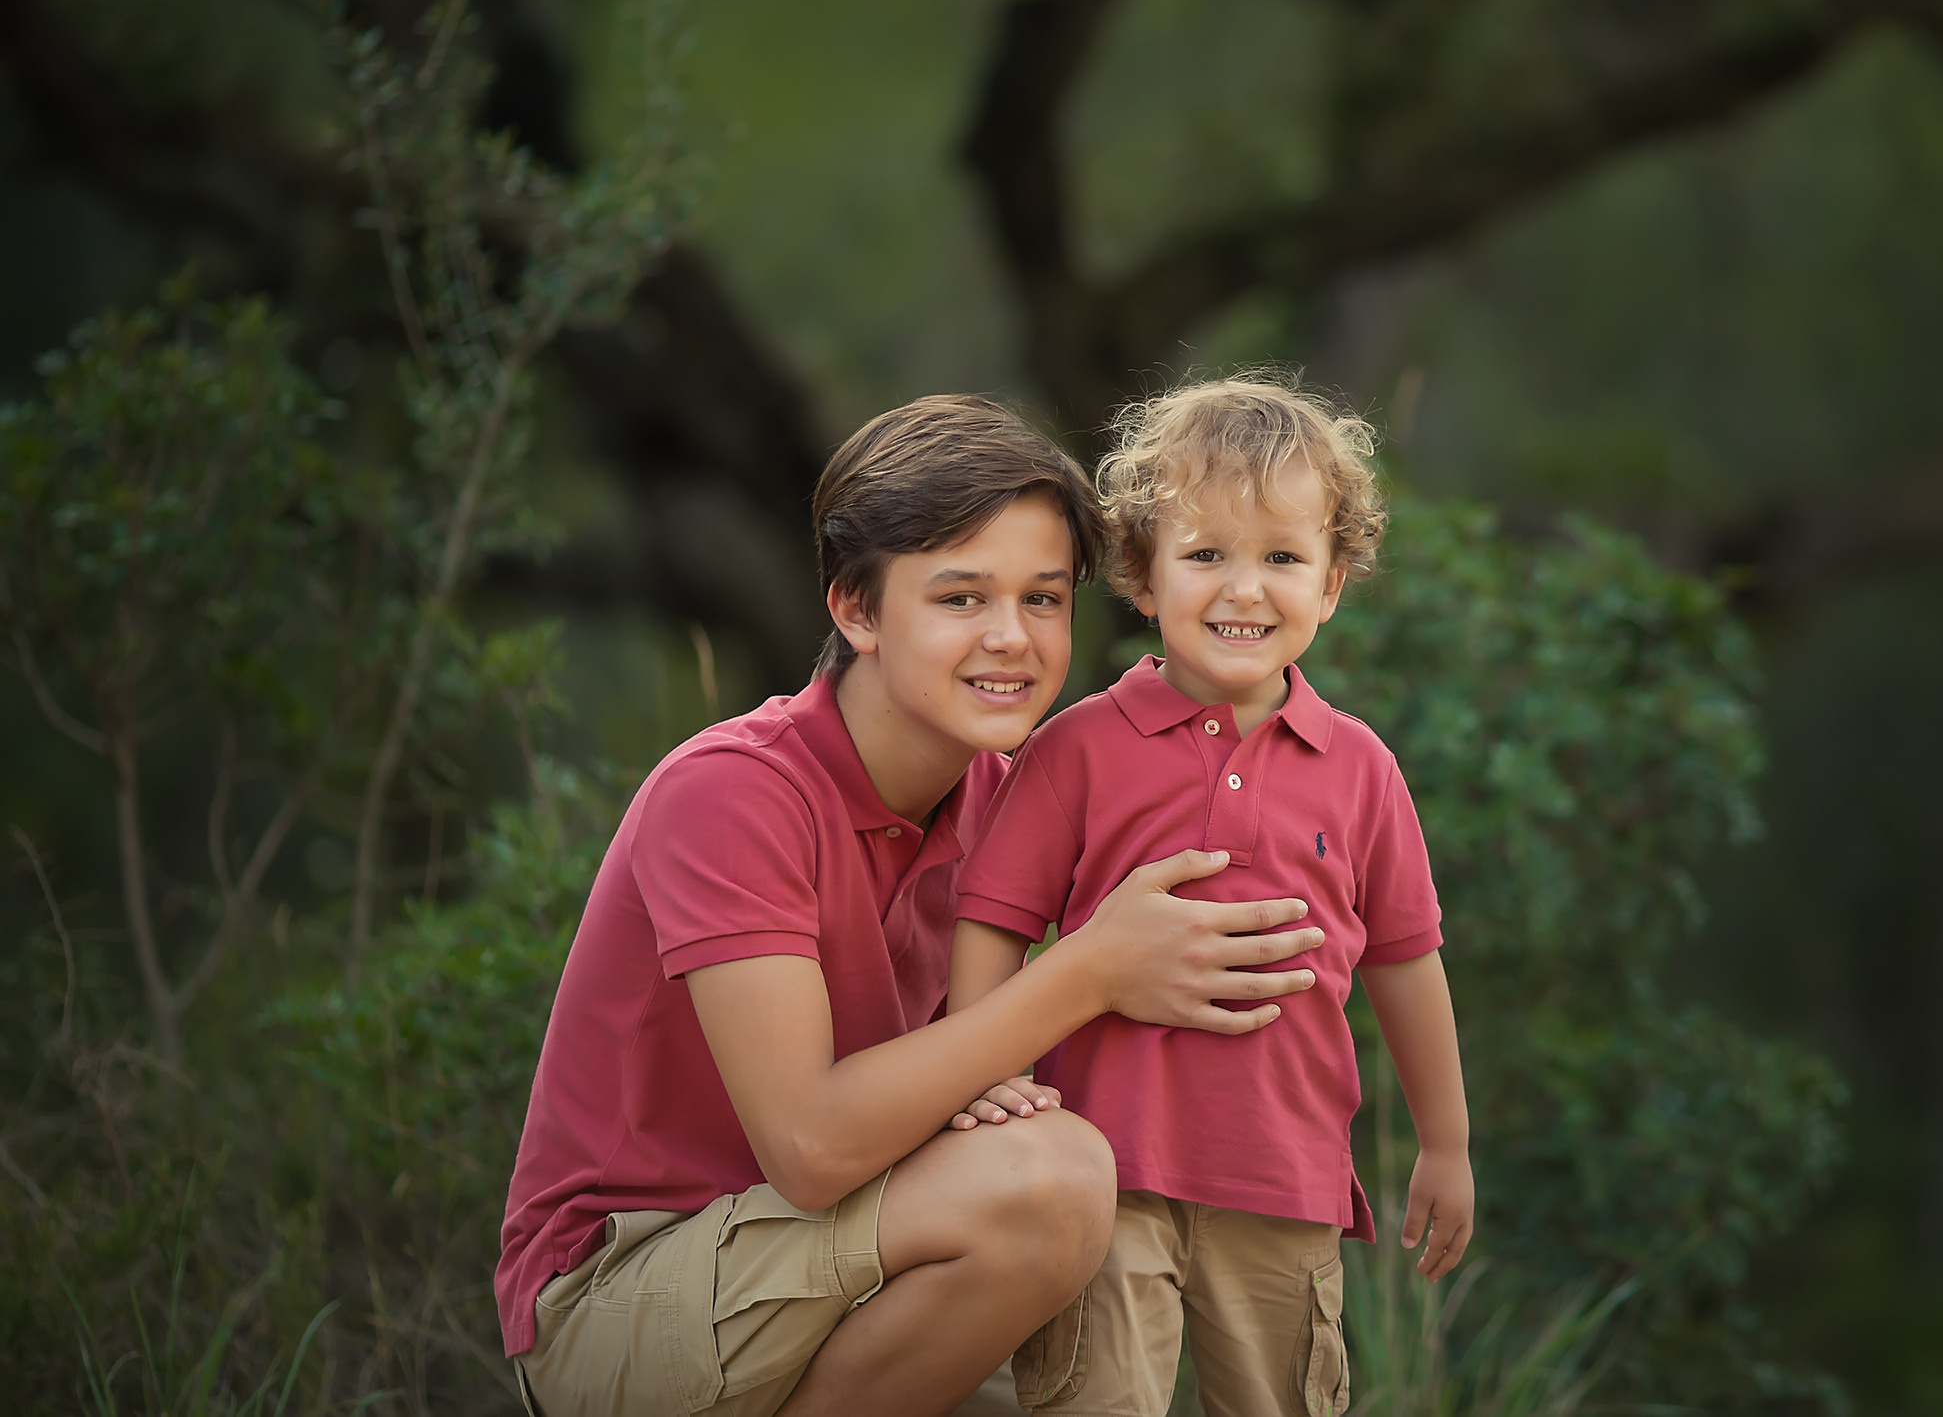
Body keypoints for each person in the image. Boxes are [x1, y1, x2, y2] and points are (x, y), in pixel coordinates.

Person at [496, 394, 1331, 1417]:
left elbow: (991, 1090)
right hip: (624, 1301)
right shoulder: (731, 792)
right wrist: (1088, 970)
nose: (1011, 639)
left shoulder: (1010, 805)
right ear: (855, 610)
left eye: (1042, 599)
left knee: (1083, 1294)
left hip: (857, 1255)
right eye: (960, 599)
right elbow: (810, 1151)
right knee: (1052, 1183)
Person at [949, 375, 1474, 1417]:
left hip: (1283, 1181)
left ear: (1331, 584)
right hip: (1100, 1176)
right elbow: (993, 920)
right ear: (1142, 577)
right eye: (1205, 556)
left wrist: (1446, 1143)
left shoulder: (1360, 769)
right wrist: (983, 1066)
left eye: (1282, 557)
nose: (1244, 589)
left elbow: (1407, 961)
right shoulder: (1077, 750)